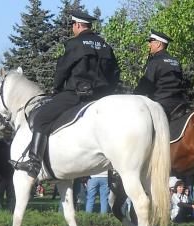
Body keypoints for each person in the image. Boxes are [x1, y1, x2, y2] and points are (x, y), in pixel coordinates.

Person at [12, 10, 120, 178]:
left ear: (77, 25)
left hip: (76, 95)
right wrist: (107, 92)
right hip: (101, 97)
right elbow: (115, 73)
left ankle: (34, 163)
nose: (72, 28)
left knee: (41, 118)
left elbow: (62, 70)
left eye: (72, 25)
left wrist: (56, 90)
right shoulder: (105, 46)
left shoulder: (75, 44)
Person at [135, 29, 188, 120]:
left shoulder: (155, 62)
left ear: (158, 44)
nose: (149, 45)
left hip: (161, 104)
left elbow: (146, 85)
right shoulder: (176, 61)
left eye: (151, 41)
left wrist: (134, 95)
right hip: (179, 104)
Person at [0, 131, 15, 211]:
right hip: (0, 174)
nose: (8, 135)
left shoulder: (14, 144)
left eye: (10, 133)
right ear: (3, 134)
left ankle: (10, 211)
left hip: (12, 174)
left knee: (11, 195)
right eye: (7, 133)